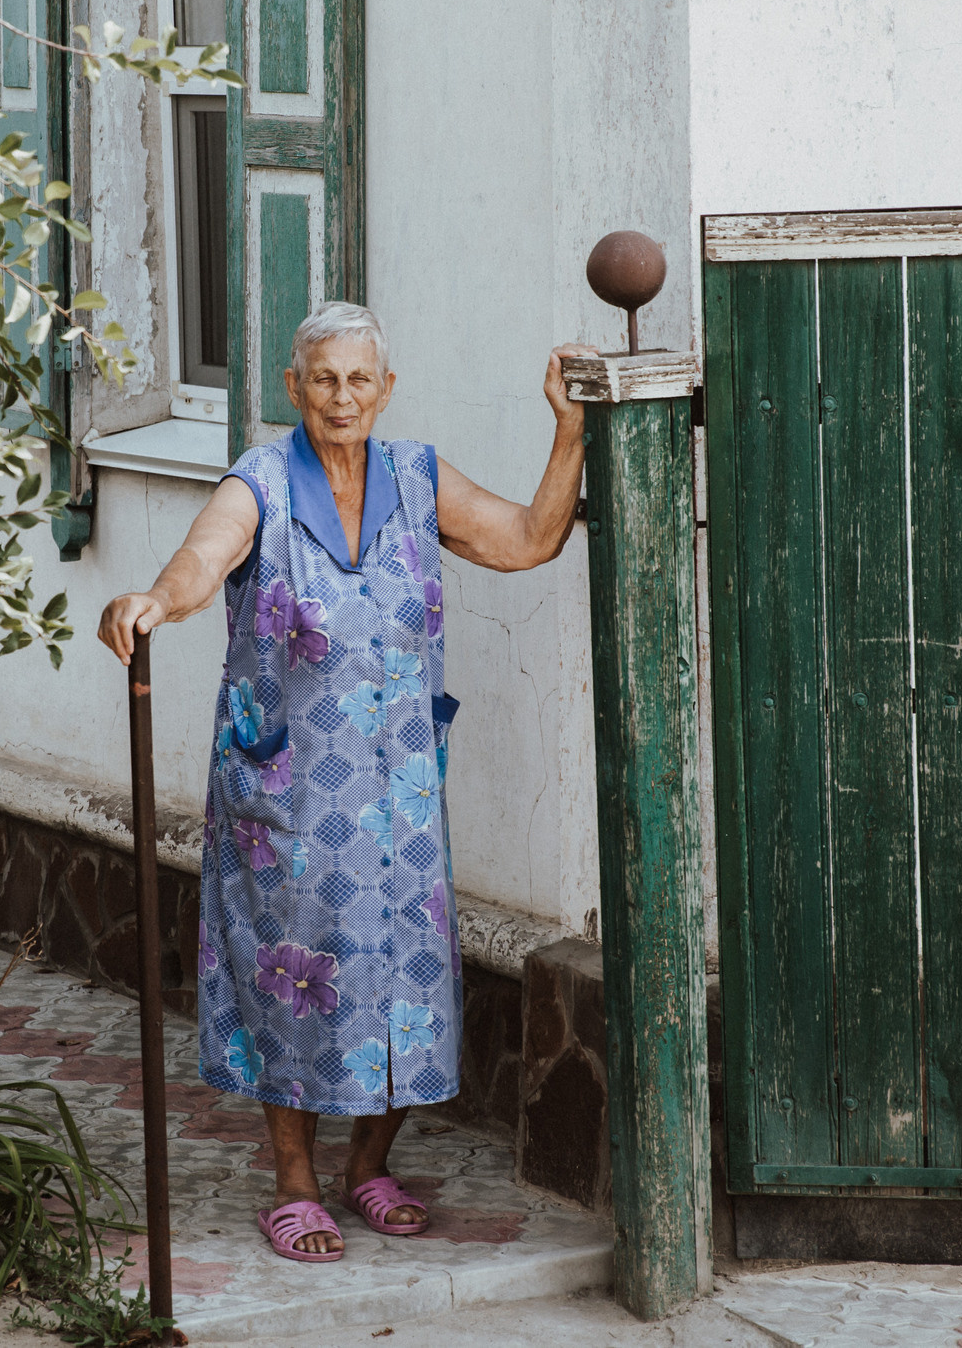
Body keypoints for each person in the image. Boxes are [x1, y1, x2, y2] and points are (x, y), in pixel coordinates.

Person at [98, 302, 594, 1261]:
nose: (342, 396)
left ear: (386, 389)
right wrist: (157, 597)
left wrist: (568, 427)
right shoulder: (261, 481)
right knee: (297, 974)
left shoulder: (417, 477)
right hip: (288, 794)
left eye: (360, 379)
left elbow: (531, 536)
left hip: (400, 794)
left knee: (402, 971)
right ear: (295, 388)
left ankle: (369, 1166)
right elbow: (209, 553)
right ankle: (294, 1179)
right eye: (324, 378)